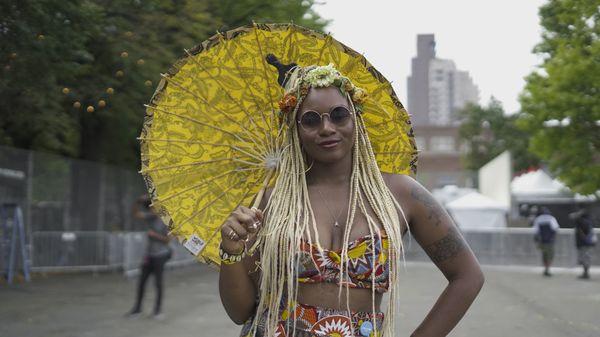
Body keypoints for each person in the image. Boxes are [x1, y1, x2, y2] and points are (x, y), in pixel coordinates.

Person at [219, 58, 484, 337]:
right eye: (310, 120)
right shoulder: (272, 202)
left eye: (338, 115)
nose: (326, 128)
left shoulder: (402, 194)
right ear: (295, 130)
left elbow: (468, 277)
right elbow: (240, 312)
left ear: (356, 118)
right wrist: (231, 252)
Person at [126, 195, 172, 319]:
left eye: (153, 207)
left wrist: (154, 235)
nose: (151, 210)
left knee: (158, 283)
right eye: (150, 207)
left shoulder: (166, 221)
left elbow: (168, 240)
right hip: (149, 255)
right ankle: (137, 309)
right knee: (141, 282)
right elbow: (136, 214)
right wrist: (138, 201)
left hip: (160, 255)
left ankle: (157, 310)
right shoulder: (150, 217)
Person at [532, 207, 560, 277]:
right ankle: (547, 269)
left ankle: (546, 268)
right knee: (550, 255)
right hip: (550, 241)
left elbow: (536, 231)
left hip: (542, 241)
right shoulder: (551, 218)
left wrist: (536, 240)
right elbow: (556, 228)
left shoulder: (538, 219)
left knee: (544, 255)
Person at [571, 208, 596, 279]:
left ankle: (586, 273)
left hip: (583, 243)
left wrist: (578, 214)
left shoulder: (581, 222)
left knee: (584, 258)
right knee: (586, 258)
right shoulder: (588, 221)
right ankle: (586, 273)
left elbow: (572, 216)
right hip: (588, 242)